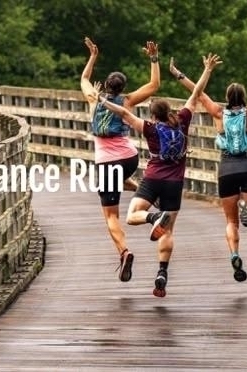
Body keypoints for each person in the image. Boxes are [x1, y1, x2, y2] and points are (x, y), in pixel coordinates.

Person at [90, 53, 222, 297]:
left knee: (131, 215)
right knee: (169, 231)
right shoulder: (183, 119)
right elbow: (196, 94)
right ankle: (162, 272)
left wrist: (101, 100)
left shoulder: (149, 128)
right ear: (170, 111)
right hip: (174, 184)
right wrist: (207, 70)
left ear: (152, 116)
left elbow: (123, 113)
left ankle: (153, 218)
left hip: (152, 180)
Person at [168, 51, 247, 282]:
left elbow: (197, 92)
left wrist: (178, 74)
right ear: (244, 97)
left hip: (227, 167)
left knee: (231, 221)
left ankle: (235, 254)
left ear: (227, 97)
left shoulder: (218, 113)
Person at [80, 37, 161, 283]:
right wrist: (153, 57)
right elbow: (154, 85)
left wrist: (93, 56)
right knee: (121, 180)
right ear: (122, 86)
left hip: (106, 162)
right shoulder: (126, 101)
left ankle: (124, 252)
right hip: (129, 158)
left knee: (111, 216)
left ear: (105, 85)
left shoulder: (94, 98)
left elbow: (83, 79)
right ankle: (146, 195)